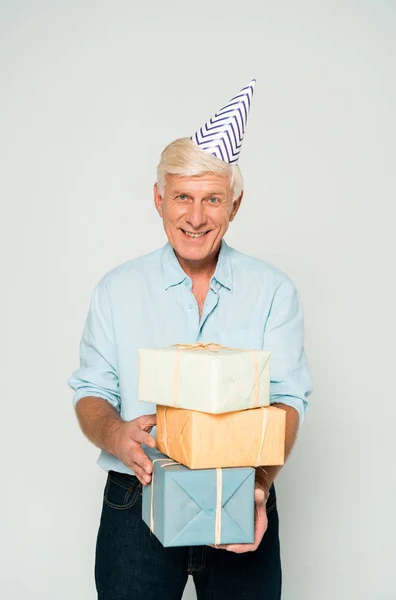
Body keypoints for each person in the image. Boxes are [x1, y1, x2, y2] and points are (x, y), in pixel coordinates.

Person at [69, 80, 312, 600]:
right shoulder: (117, 290)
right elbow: (90, 392)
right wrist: (115, 435)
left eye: (212, 200)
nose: (196, 217)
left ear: (235, 205)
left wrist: (260, 487)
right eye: (182, 197)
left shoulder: (273, 291)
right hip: (138, 498)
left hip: (242, 493)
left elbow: (288, 400)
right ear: (159, 199)